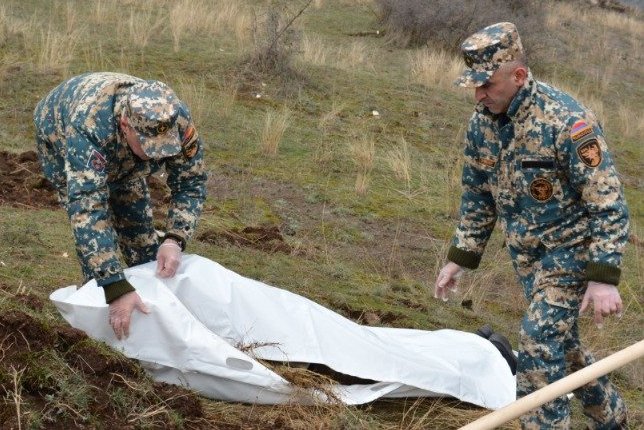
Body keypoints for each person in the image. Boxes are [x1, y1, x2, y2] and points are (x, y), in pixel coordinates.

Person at [434, 22, 629, 429]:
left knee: (538, 344)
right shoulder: (482, 124)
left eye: (486, 84)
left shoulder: (568, 122)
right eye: (474, 85)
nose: (478, 95)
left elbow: (607, 202)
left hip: (572, 253)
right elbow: (477, 196)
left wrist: (604, 277)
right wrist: (460, 258)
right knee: (563, 345)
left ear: (518, 76)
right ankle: (610, 416)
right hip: (528, 259)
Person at [34, 72, 207, 340]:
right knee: (100, 265)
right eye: (149, 146)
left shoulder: (175, 119)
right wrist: (114, 286)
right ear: (126, 124)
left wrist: (175, 238)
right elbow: (88, 208)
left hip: (120, 151)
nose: (156, 155)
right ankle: (100, 324)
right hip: (58, 131)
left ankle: (151, 320)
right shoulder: (89, 127)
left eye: (164, 147)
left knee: (143, 244)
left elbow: (191, 183)